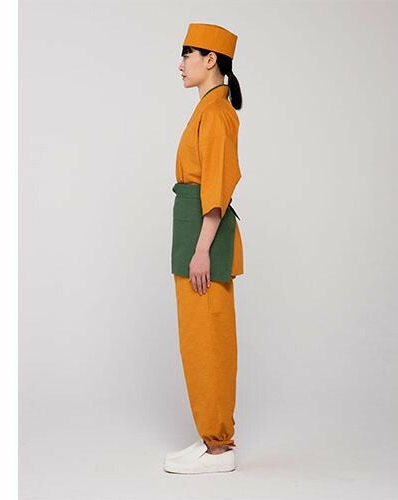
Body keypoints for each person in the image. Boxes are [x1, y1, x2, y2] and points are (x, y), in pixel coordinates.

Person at [163, 23, 244, 475]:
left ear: (210, 59)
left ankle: (218, 446)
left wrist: (201, 251)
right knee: (196, 339)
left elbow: (216, 188)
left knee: (209, 340)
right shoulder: (207, 109)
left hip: (203, 237)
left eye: (187, 55)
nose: (180, 65)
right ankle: (209, 436)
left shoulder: (217, 113)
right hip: (193, 231)